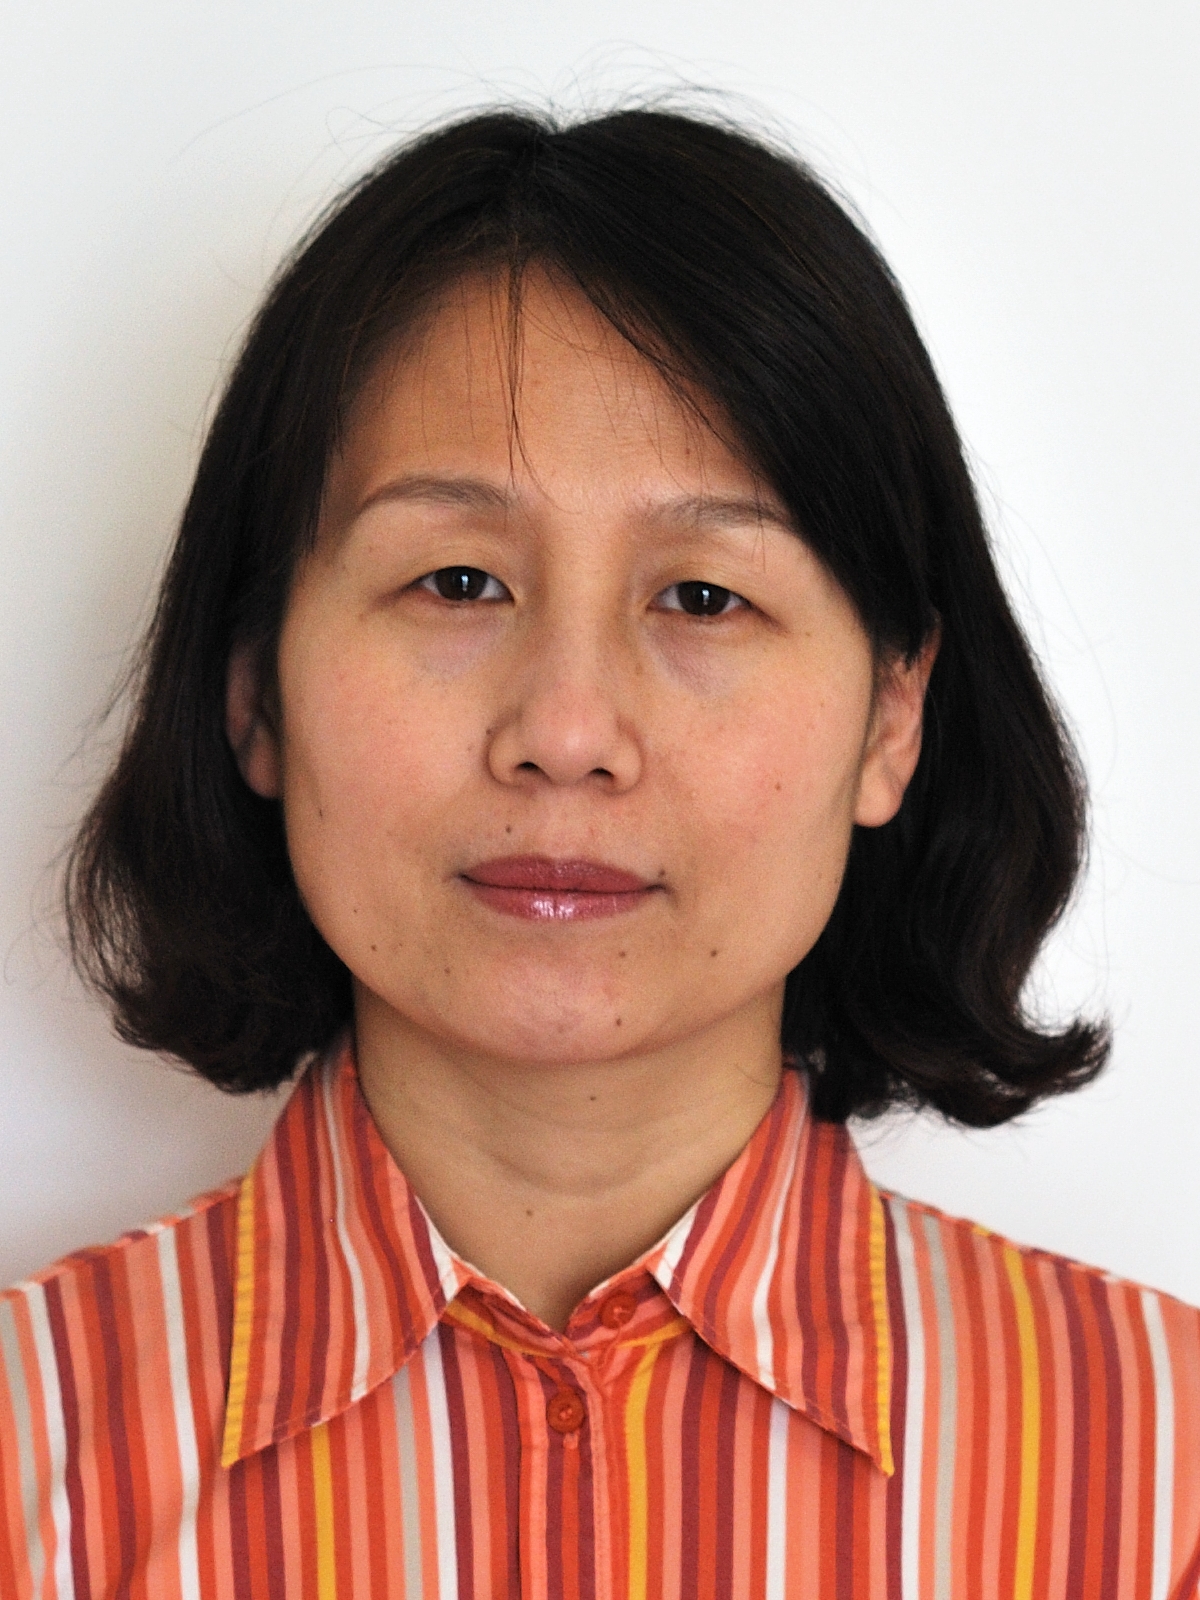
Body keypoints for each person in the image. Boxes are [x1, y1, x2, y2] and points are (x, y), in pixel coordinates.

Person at [1, 105, 1196, 1599]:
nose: (566, 733)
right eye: (456, 581)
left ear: (892, 718)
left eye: (703, 597)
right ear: (255, 691)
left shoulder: (1164, 1485)